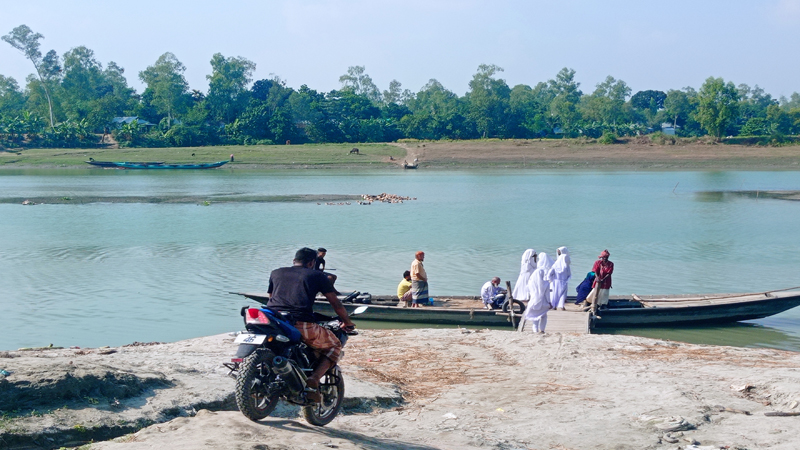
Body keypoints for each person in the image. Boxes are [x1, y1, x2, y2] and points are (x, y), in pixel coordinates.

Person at [265, 247, 355, 402]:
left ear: (294, 260)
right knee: (334, 345)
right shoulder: (317, 275)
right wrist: (347, 321)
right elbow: (335, 302)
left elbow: (271, 297)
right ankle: (313, 379)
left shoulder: (276, 272)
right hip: (300, 322)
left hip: (274, 319)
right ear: (312, 262)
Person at [522, 253, 552, 333]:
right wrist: (549, 303)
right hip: (543, 302)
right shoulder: (546, 283)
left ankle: (535, 330)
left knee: (535, 317)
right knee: (544, 316)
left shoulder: (531, 283)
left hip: (534, 301)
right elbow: (547, 295)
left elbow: (528, 291)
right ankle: (542, 330)